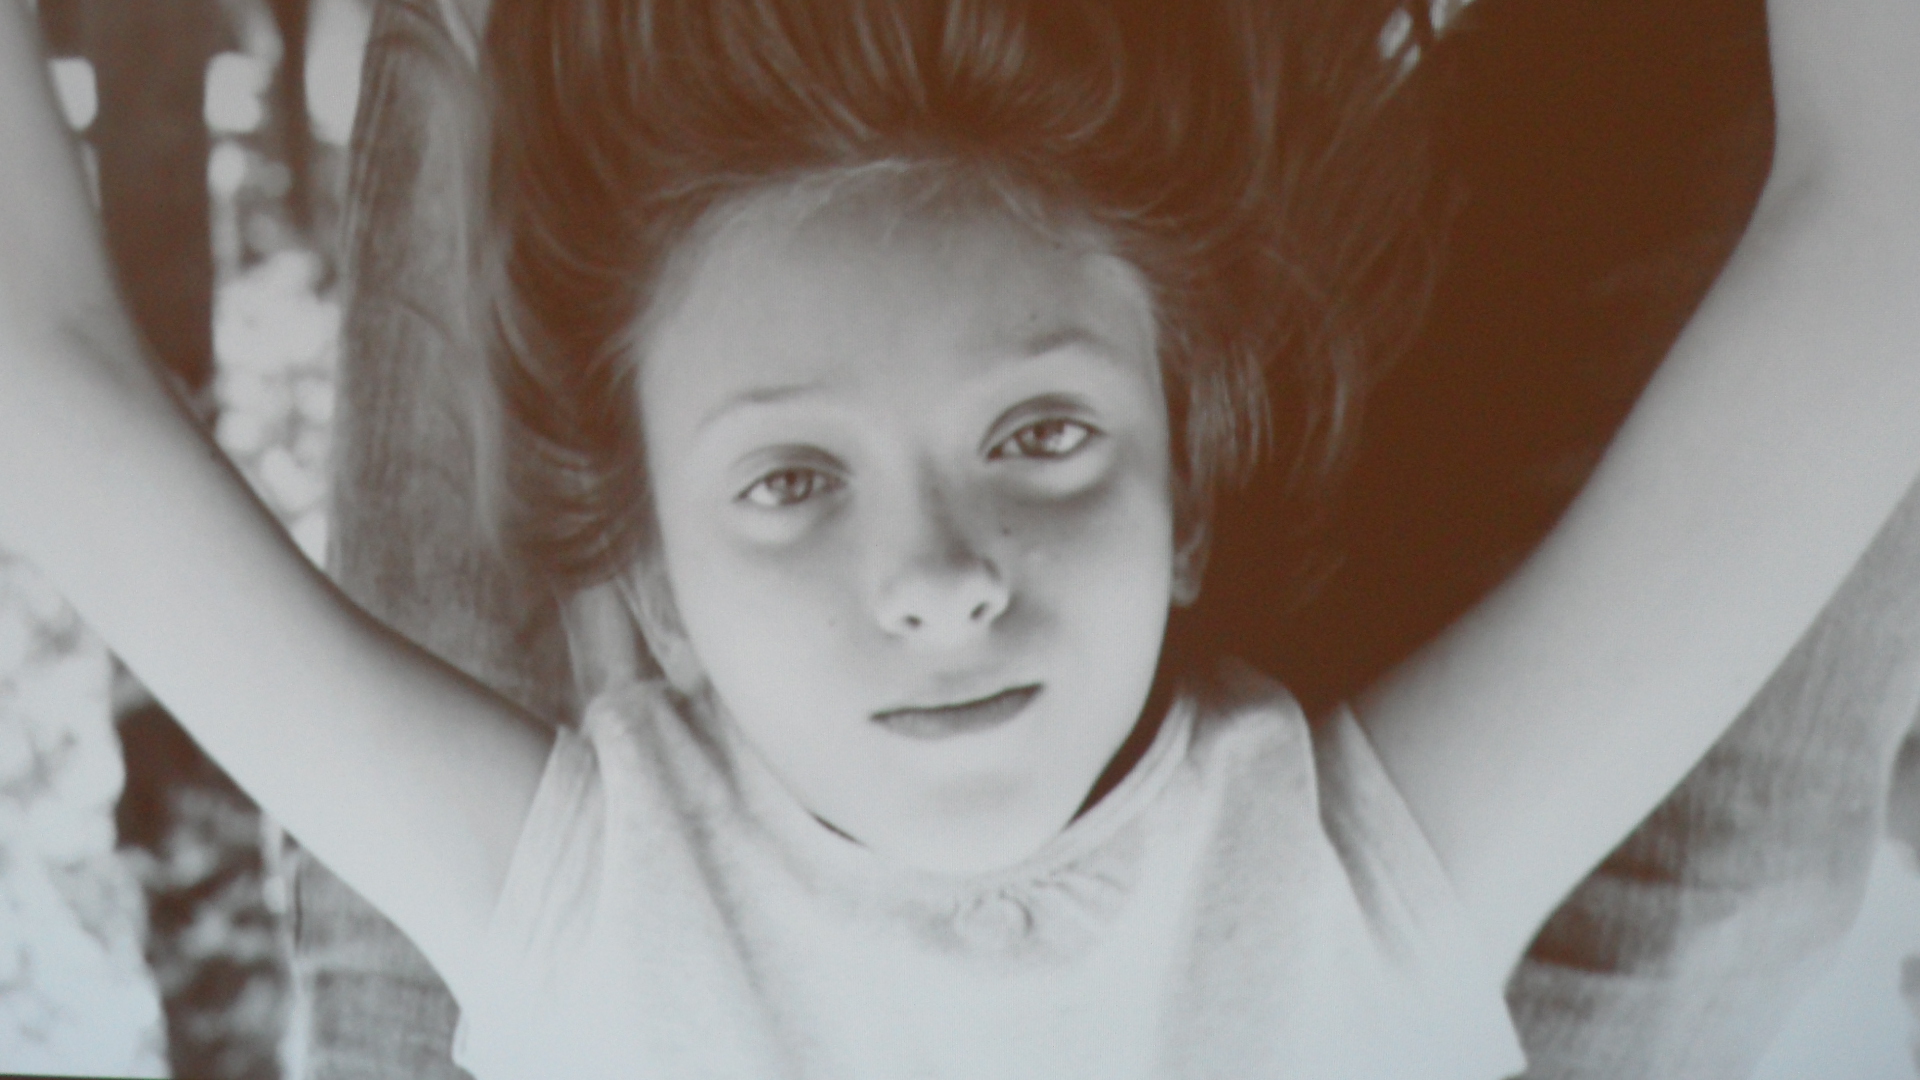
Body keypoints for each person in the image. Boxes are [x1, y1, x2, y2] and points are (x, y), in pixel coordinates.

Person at [2, 0, 1917, 1076]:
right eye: (798, 480)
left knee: (489, 87)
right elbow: (1878, 260)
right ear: (657, 591)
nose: (940, 579)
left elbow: (44, 379)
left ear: (1182, 507)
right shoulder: (1340, 896)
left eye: (1040, 436)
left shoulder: (602, 912)